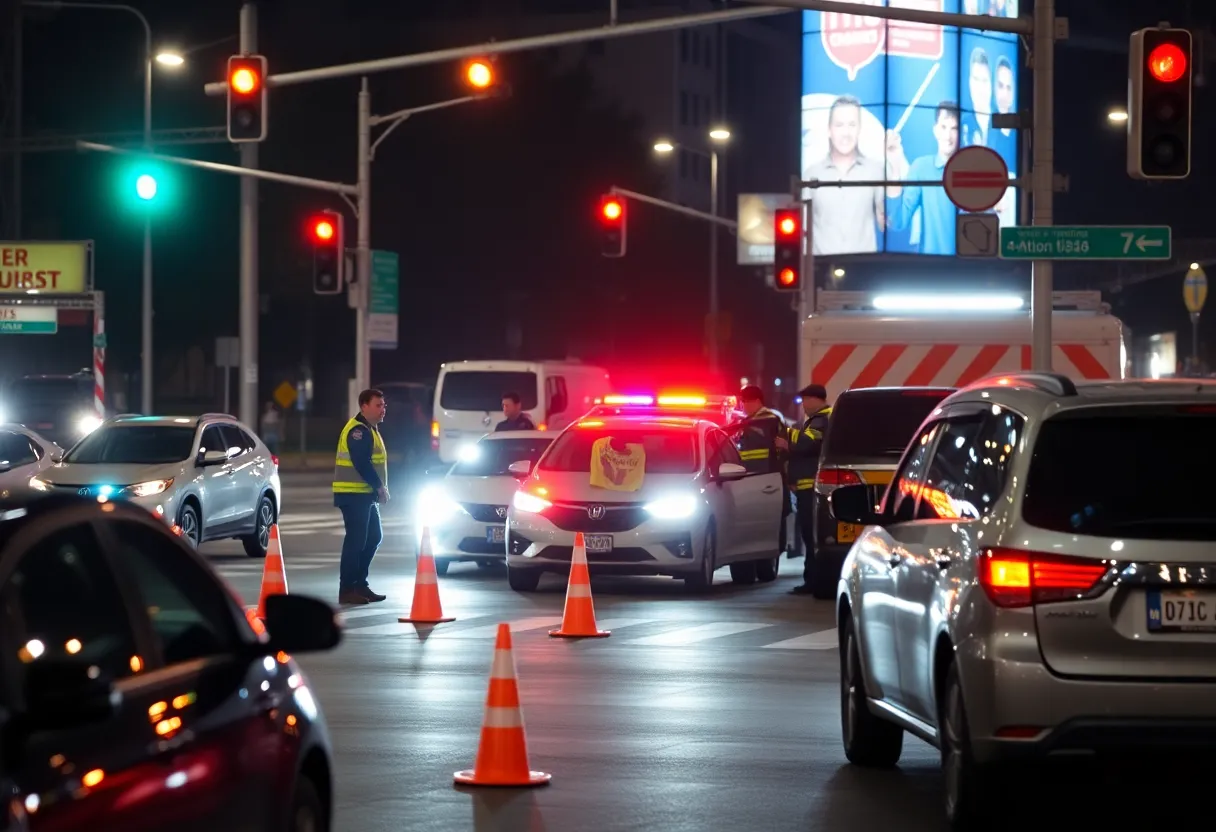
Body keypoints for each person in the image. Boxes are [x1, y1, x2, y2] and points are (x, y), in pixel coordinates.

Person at [805, 95, 886, 255]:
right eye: (839, 125)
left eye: (852, 125)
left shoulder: (875, 171)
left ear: (860, 129)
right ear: (829, 130)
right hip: (821, 269)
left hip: (864, 268)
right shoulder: (811, 174)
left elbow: (885, 224)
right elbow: (802, 229)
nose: (846, 133)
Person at [333, 388, 390, 606]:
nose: (383, 409)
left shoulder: (370, 429)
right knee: (356, 541)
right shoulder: (358, 430)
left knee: (373, 537)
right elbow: (361, 463)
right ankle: (347, 589)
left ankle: (359, 584)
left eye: (384, 405)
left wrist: (377, 489)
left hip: (364, 495)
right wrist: (379, 487)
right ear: (364, 406)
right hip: (354, 494)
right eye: (378, 405)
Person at [729, 385, 792, 554]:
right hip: (753, 479)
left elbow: (782, 451)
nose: (743, 407)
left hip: (766, 478)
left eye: (745, 402)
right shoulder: (751, 422)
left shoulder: (767, 421)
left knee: (770, 522)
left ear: (756, 401)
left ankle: (774, 551)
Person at [787, 385, 832, 596]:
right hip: (807, 488)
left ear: (816, 399)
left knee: (811, 535)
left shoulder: (822, 420)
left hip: (811, 488)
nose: (804, 405)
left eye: (806, 400)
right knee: (809, 534)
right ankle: (812, 579)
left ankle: (813, 581)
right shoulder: (818, 419)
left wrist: (787, 436)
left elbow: (808, 445)